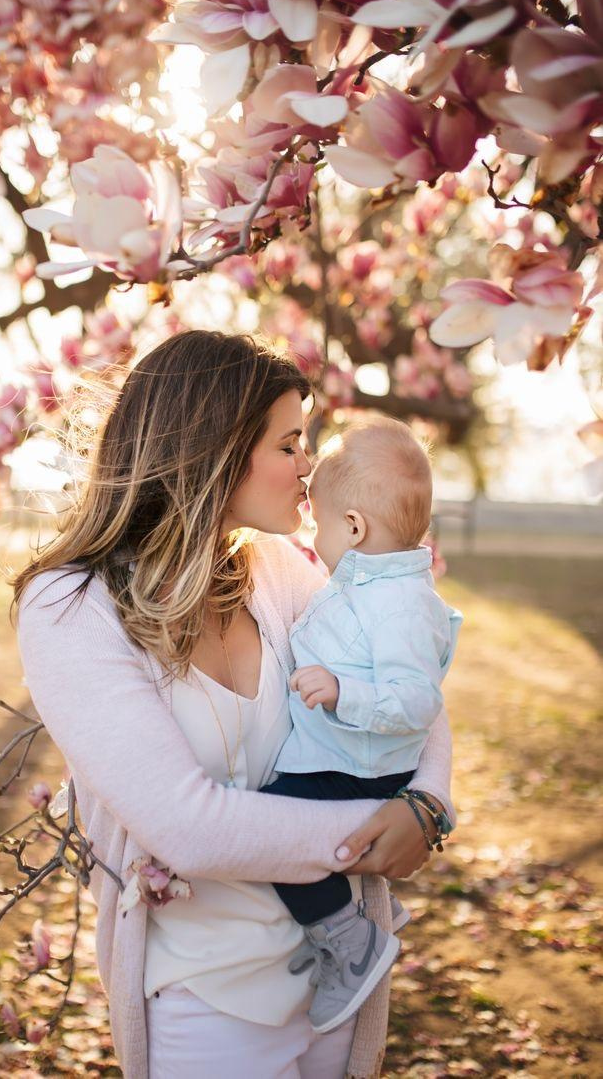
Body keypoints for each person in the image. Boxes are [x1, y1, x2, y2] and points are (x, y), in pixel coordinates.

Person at [12, 330, 456, 1079]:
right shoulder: (70, 607)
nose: (307, 465)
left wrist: (429, 805)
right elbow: (188, 825)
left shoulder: (279, 571)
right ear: (217, 446)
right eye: (289, 443)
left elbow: (411, 689)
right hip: (203, 992)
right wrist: (379, 829)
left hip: (329, 974)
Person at [261, 416, 462, 1035]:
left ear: (354, 526)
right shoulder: (369, 585)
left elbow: (415, 700)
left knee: (275, 824)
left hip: (355, 767)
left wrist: (345, 692)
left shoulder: (399, 603)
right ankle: (358, 920)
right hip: (347, 758)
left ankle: (351, 940)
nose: (312, 534)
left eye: (319, 523)